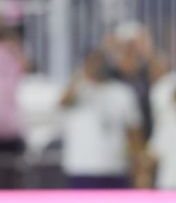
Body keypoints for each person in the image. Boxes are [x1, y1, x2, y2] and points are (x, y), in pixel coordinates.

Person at [59, 50, 144, 188]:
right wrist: (79, 77)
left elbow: (134, 131)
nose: (97, 66)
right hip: (81, 168)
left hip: (116, 168)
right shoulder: (77, 90)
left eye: (101, 62)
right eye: (93, 62)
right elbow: (62, 103)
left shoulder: (122, 92)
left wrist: (139, 164)